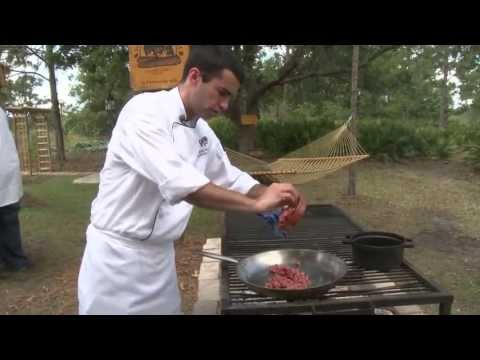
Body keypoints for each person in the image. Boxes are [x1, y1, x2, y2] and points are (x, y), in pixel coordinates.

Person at [77, 45, 307, 315]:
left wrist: (272, 192)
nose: (224, 106)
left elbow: (229, 177)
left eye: (229, 98)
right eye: (222, 93)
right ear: (195, 76)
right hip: (116, 262)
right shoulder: (143, 113)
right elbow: (181, 184)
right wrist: (255, 206)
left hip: (160, 260)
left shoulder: (201, 131)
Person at [0, 105, 31, 272]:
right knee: (9, 220)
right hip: (7, 174)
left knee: (8, 219)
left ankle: (13, 260)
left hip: (5, 173)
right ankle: (16, 260)